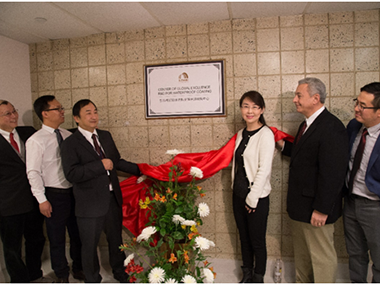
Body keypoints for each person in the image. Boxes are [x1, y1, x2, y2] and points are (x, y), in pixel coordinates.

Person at [60, 99, 141, 283]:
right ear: (76, 118)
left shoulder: (105, 136)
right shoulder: (70, 143)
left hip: (112, 199)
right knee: (89, 246)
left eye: (95, 111)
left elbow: (116, 162)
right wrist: (99, 165)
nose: (93, 116)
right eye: (88, 112)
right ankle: (92, 279)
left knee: (116, 241)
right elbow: (71, 173)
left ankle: (120, 273)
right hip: (89, 204)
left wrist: (143, 169)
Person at [277, 78, 348, 283]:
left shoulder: (331, 127)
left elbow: (333, 173)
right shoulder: (306, 124)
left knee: (321, 257)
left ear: (315, 98)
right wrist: (281, 144)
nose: (294, 100)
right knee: (303, 257)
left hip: (317, 210)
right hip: (301, 207)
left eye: (299, 95)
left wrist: (322, 208)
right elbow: (307, 155)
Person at [26, 95, 84, 283]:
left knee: (77, 234)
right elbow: (33, 172)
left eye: (61, 108)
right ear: (45, 113)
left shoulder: (68, 135)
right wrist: (42, 199)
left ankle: (78, 268)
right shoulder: (36, 140)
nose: (62, 112)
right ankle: (61, 273)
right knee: (57, 237)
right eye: (57, 109)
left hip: (73, 192)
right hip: (54, 194)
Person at [0, 100, 50, 283]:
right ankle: (19, 280)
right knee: (12, 247)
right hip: (7, 204)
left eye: (14, 111)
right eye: (7, 113)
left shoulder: (28, 132)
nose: (13, 116)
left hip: (32, 200)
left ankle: (35, 274)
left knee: (36, 240)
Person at [231, 91, 275, 283]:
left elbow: (264, 169)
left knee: (257, 241)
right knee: (244, 238)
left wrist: (252, 198)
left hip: (256, 197)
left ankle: (258, 277)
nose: (250, 111)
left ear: (262, 109)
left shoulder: (266, 134)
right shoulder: (241, 134)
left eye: (255, 107)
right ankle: (246, 274)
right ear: (241, 109)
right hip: (238, 195)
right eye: (246, 106)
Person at [343, 82, 380, 283]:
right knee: (355, 255)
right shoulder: (354, 127)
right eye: (357, 102)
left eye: (363, 106)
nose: (357, 108)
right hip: (351, 202)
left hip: (375, 206)